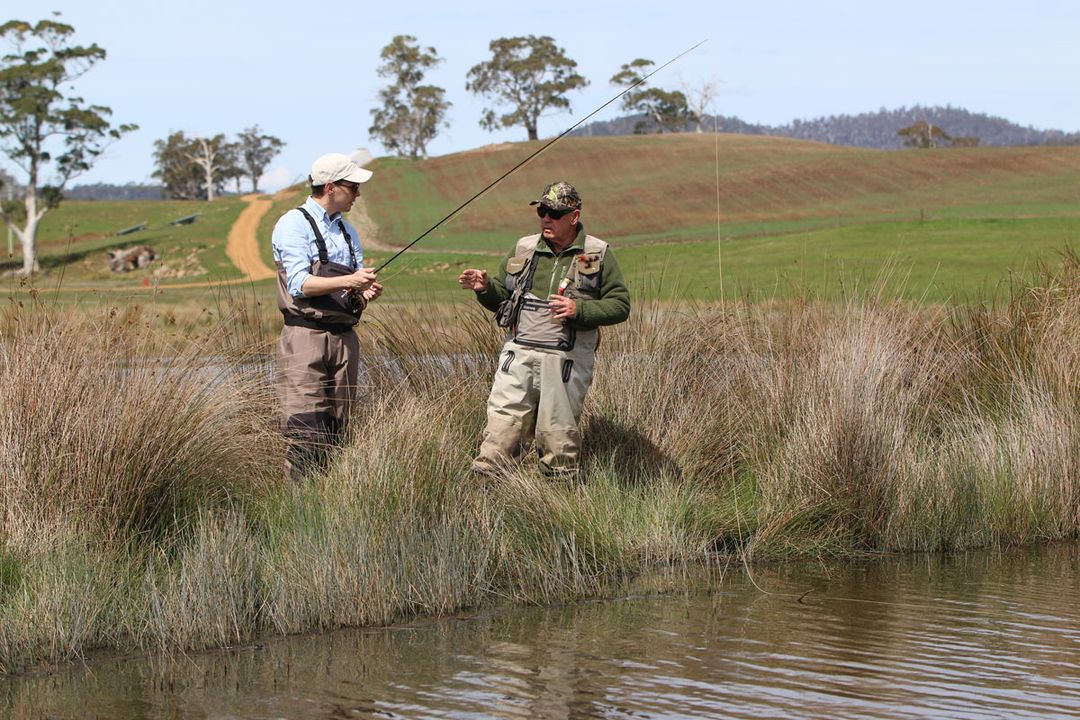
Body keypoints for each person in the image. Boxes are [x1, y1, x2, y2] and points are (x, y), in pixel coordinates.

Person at [458, 181, 631, 478]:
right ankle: (485, 493)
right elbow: (503, 298)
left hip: (566, 361)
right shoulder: (524, 248)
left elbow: (620, 305)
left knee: (557, 433)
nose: (545, 218)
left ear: (573, 217)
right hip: (519, 354)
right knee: (501, 425)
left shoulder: (596, 252)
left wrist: (580, 310)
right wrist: (484, 287)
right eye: (542, 211)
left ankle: (555, 504)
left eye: (553, 212)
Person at [272, 152, 383, 477]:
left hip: (345, 340)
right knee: (306, 431)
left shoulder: (349, 232)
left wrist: (365, 293)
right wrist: (351, 280)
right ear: (331, 187)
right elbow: (298, 283)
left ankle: (328, 506)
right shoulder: (292, 223)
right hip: (304, 337)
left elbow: (355, 286)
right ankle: (298, 512)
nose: (358, 193)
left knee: (338, 430)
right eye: (353, 186)